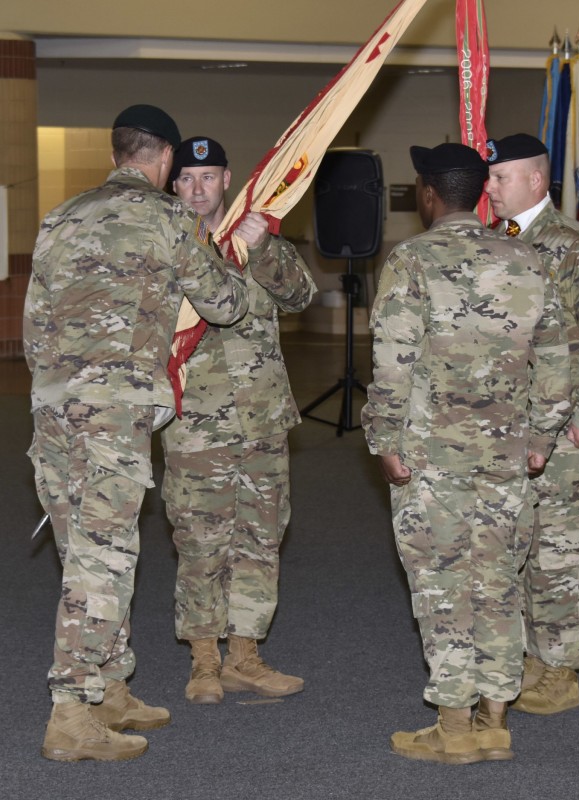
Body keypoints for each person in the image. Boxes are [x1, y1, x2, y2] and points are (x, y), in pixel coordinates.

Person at [24, 106, 249, 762]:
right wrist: (237, 251)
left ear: (117, 152)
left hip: (52, 409)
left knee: (84, 550)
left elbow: (34, 323)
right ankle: (71, 715)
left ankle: (111, 687)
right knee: (105, 558)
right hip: (113, 417)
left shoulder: (60, 218)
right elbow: (225, 305)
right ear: (164, 160)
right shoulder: (170, 220)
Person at [361, 142, 571, 764]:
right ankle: (495, 720)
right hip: (506, 456)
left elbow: (392, 362)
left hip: (432, 460)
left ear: (428, 193)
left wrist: (384, 440)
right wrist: (541, 439)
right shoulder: (527, 258)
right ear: (480, 191)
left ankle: (454, 727)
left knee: (442, 583)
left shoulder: (413, 260)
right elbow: (557, 359)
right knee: (499, 580)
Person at [161, 137, 316, 704]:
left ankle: (245, 655)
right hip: (195, 423)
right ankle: (204, 661)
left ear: (228, 179)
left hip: (264, 417)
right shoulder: (162, 246)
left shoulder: (257, 239)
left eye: (208, 177)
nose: (198, 189)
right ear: (172, 185)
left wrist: (267, 247)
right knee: (200, 540)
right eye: (186, 179)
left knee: (261, 537)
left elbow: (302, 296)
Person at [485, 133, 579, 715]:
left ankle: (562, 669)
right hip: (514, 426)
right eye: (490, 178)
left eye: (500, 178)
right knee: (516, 543)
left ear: (536, 181)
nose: (489, 188)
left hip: (569, 429)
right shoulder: (496, 242)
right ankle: (531, 656)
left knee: (559, 551)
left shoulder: (576, 246)